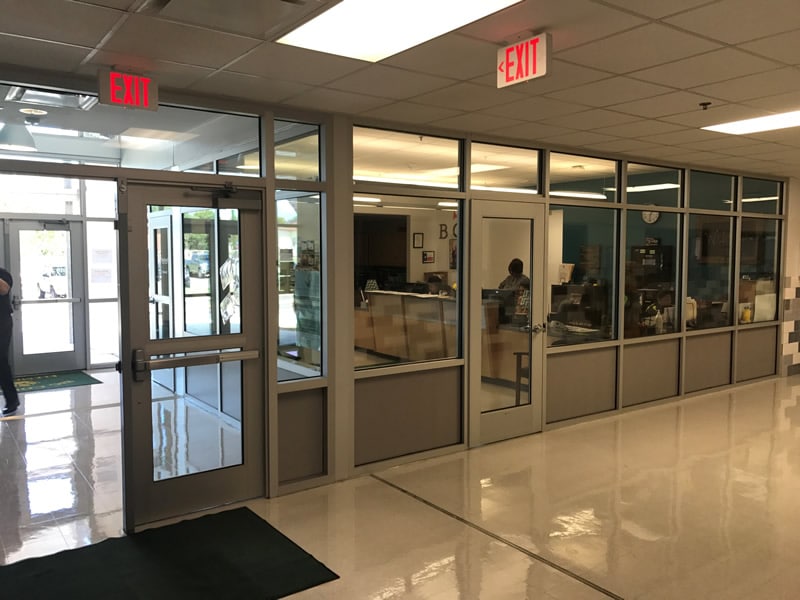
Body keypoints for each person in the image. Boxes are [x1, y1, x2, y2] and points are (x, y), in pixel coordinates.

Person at [0, 267, 19, 416]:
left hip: (2, 322)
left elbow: (4, 289)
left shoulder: (3, 273)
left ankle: (12, 400)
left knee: (0, 361)